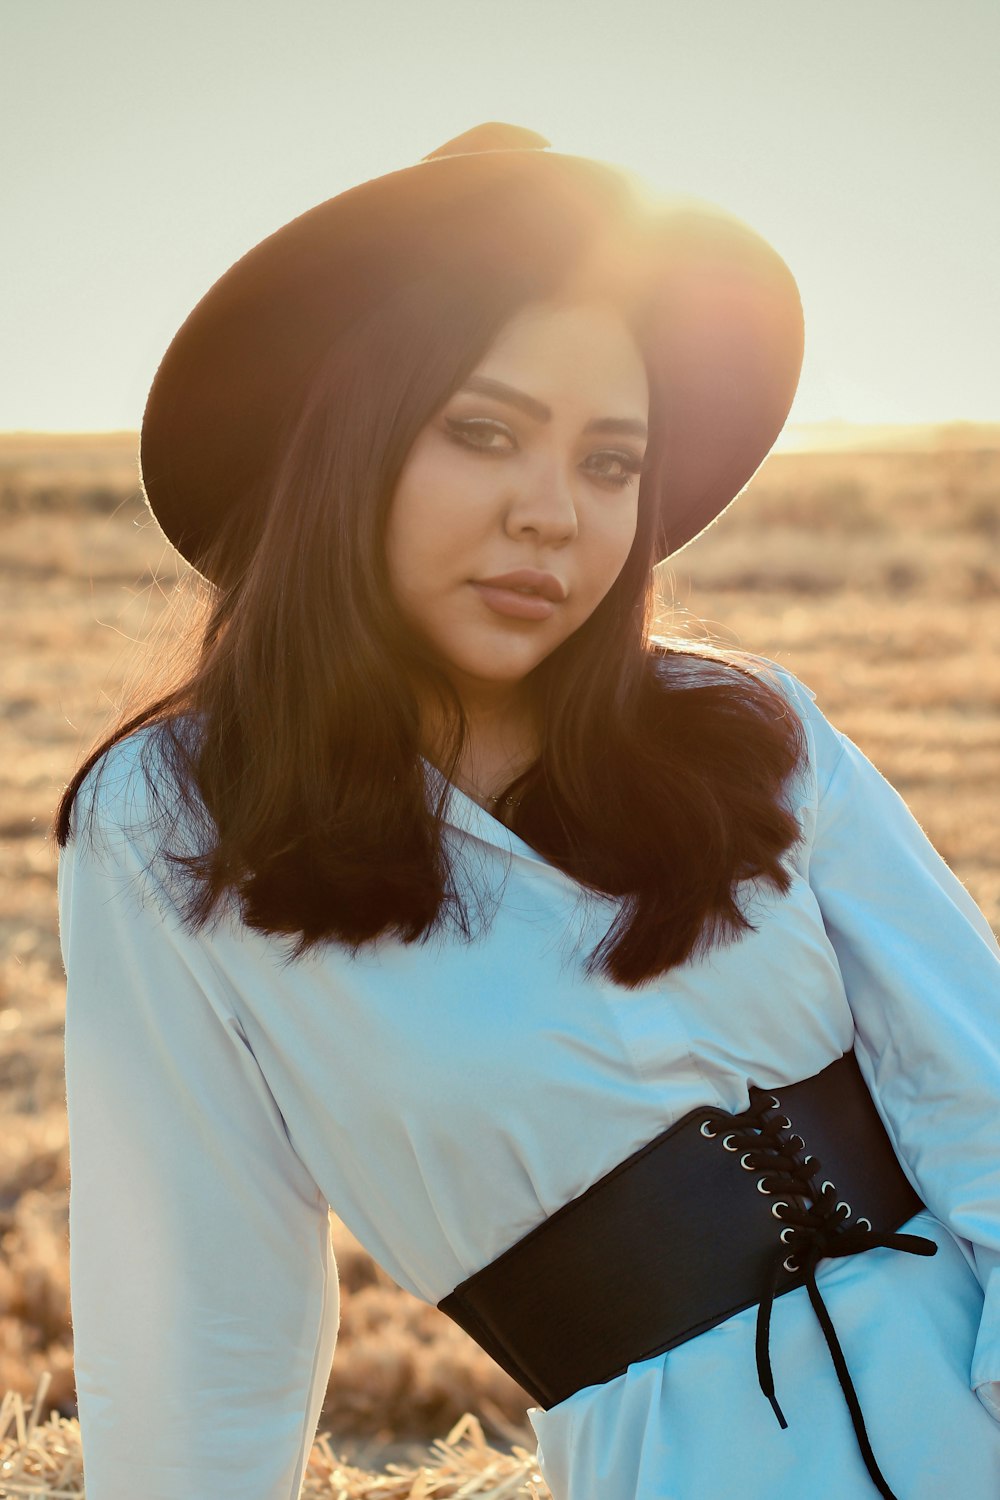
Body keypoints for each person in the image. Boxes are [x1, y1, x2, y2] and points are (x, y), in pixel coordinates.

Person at [53, 123, 1000, 1500]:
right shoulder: (167, 822)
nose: (554, 514)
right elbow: (198, 1303)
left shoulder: (755, 730)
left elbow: (978, 1079)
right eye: (484, 434)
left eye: (611, 463)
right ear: (343, 447)